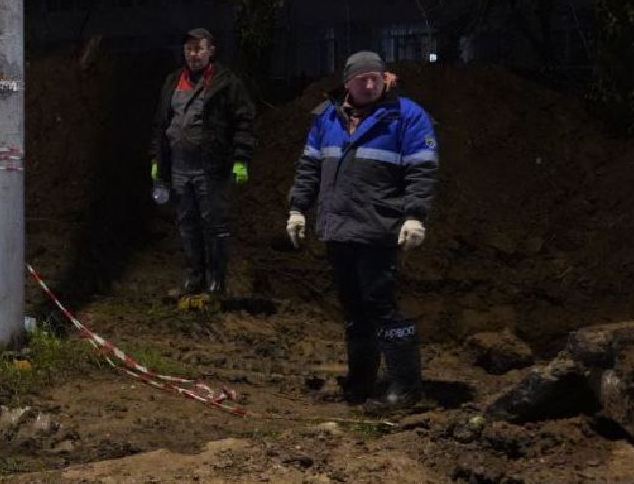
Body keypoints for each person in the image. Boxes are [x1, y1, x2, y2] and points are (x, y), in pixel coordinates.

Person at [285, 51, 438, 411]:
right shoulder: (327, 116)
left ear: (386, 78)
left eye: (376, 78)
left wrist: (415, 216)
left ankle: (406, 387)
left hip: (377, 227)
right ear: (347, 82)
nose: (370, 85)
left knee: (381, 305)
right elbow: (309, 166)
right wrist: (297, 208)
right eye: (362, 79)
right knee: (354, 308)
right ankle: (360, 383)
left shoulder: (406, 115)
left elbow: (421, 171)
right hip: (337, 228)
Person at [150, 28, 256, 298]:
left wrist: (241, 158)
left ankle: (216, 281)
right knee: (187, 223)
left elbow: (244, 120)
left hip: (211, 166)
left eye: (199, 49)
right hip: (179, 166)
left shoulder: (225, 82)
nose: (193, 54)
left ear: (211, 51)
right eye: (189, 49)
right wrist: (157, 159)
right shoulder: (173, 81)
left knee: (214, 223)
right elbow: (162, 123)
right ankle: (194, 276)